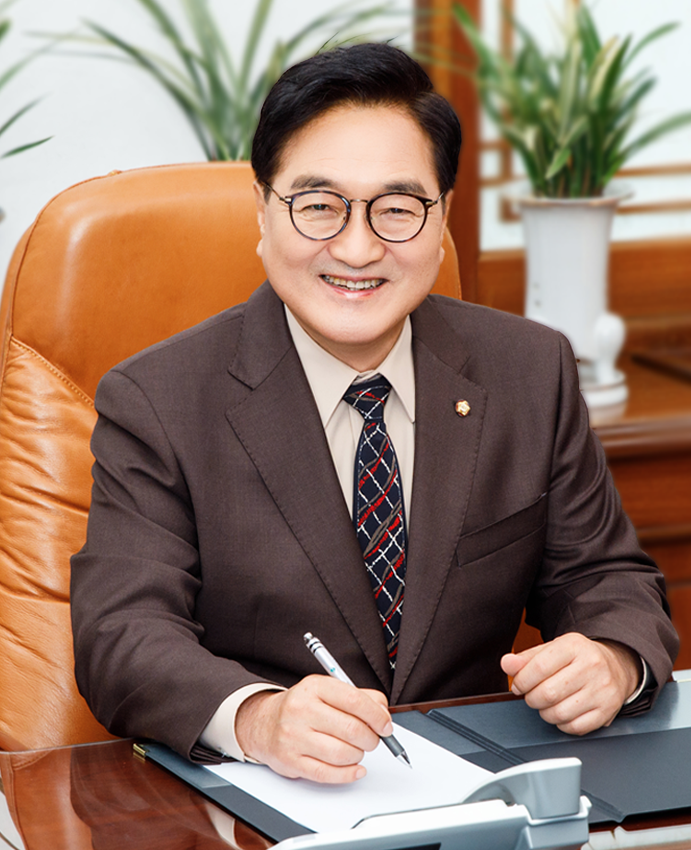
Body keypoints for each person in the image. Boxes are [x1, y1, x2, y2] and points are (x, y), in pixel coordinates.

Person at [71, 42, 678, 786]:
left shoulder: (529, 369)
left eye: (396, 209)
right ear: (262, 211)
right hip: (265, 803)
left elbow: (605, 577)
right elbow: (121, 633)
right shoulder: (159, 399)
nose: (357, 249)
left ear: (441, 217)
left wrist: (612, 658)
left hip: (479, 790)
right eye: (318, 207)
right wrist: (257, 718)